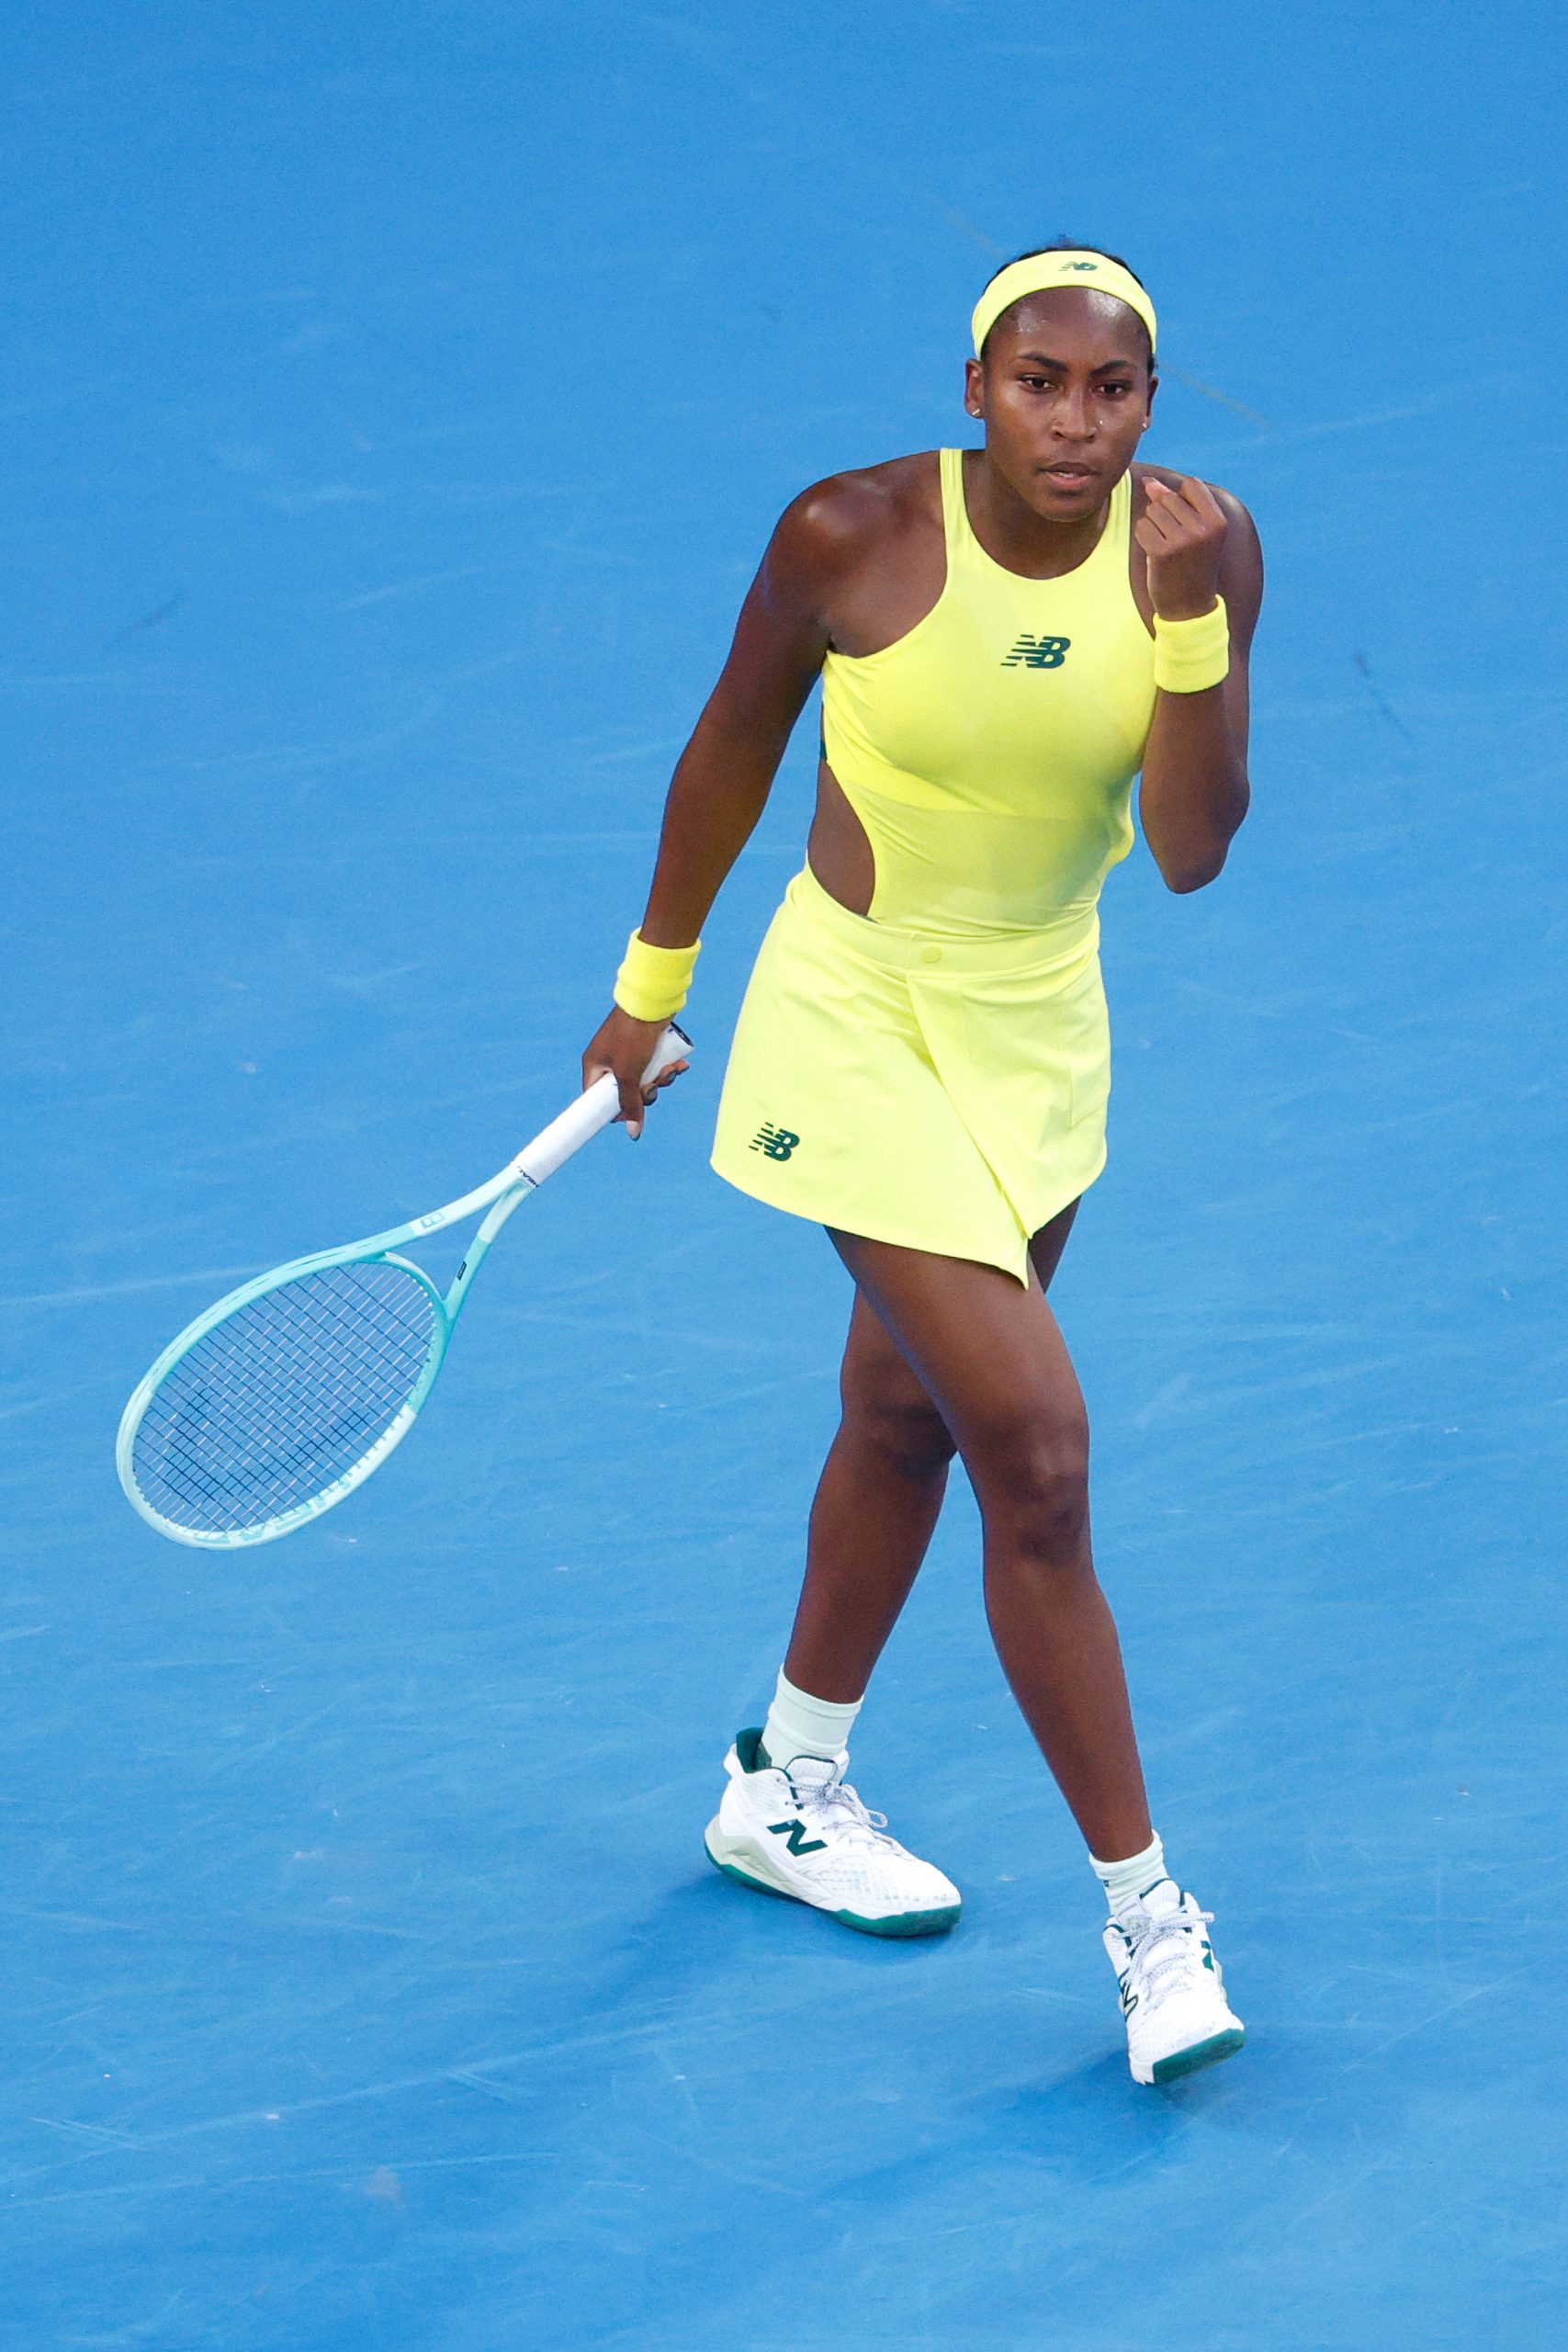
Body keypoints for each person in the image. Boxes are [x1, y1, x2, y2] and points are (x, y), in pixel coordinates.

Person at [581, 243, 1262, 2086]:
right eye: (1034, 380)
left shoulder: (1194, 549)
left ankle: (782, 1782)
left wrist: (1193, 626)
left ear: (1144, 400)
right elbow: (728, 743)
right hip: (854, 1018)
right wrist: (648, 991)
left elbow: (1191, 849)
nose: (1072, 418)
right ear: (973, 386)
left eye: (1108, 387)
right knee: (1030, 1454)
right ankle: (1146, 1924)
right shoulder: (851, 533)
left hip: (1040, 1036)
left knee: (900, 1417)